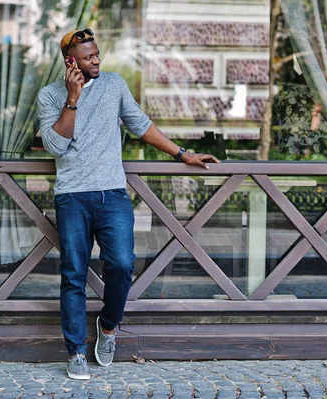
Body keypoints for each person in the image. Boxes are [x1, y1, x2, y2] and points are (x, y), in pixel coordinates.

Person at [37, 29, 220, 380]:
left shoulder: (114, 84)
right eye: (89, 57)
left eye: (98, 54)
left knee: (121, 264)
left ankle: (108, 326)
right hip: (71, 197)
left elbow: (141, 125)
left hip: (112, 194)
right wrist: (72, 98)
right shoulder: (50, 95)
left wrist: (183, 154)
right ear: (71, 61)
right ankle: (75, 351)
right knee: (73, 274)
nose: (97, 60)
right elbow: (55, 146)